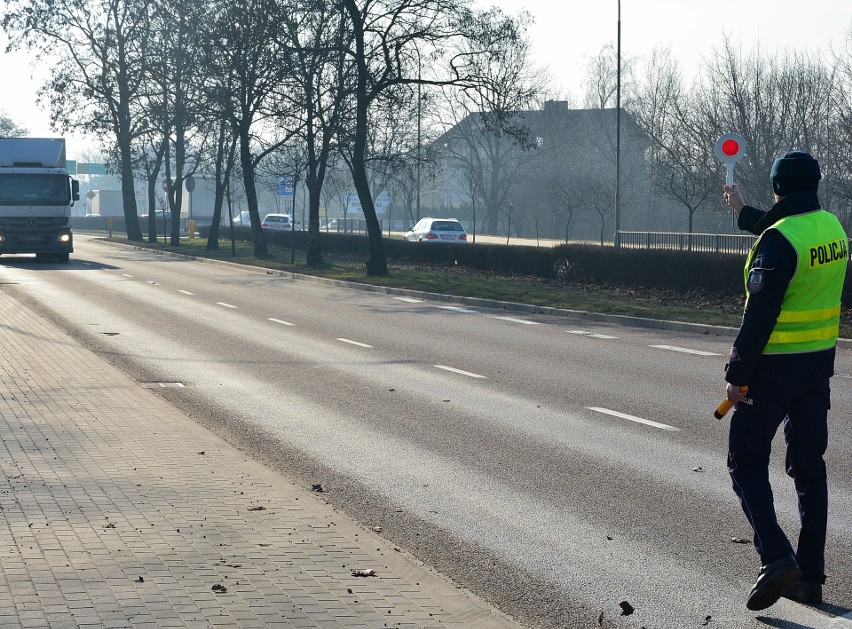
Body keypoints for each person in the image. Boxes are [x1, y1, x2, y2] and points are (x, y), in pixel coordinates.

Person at [722, 151, 848, 611]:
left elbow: (760, 315)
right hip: (816, 370)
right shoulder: (832, 228)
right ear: (814, 184)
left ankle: (775, 556)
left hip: (772, 371)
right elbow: (788, 236)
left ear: (777, 188)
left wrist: (737, 376)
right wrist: (742, 211)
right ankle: (810, 578)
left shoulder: (778, 241)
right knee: (810, 470)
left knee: (745, 462)